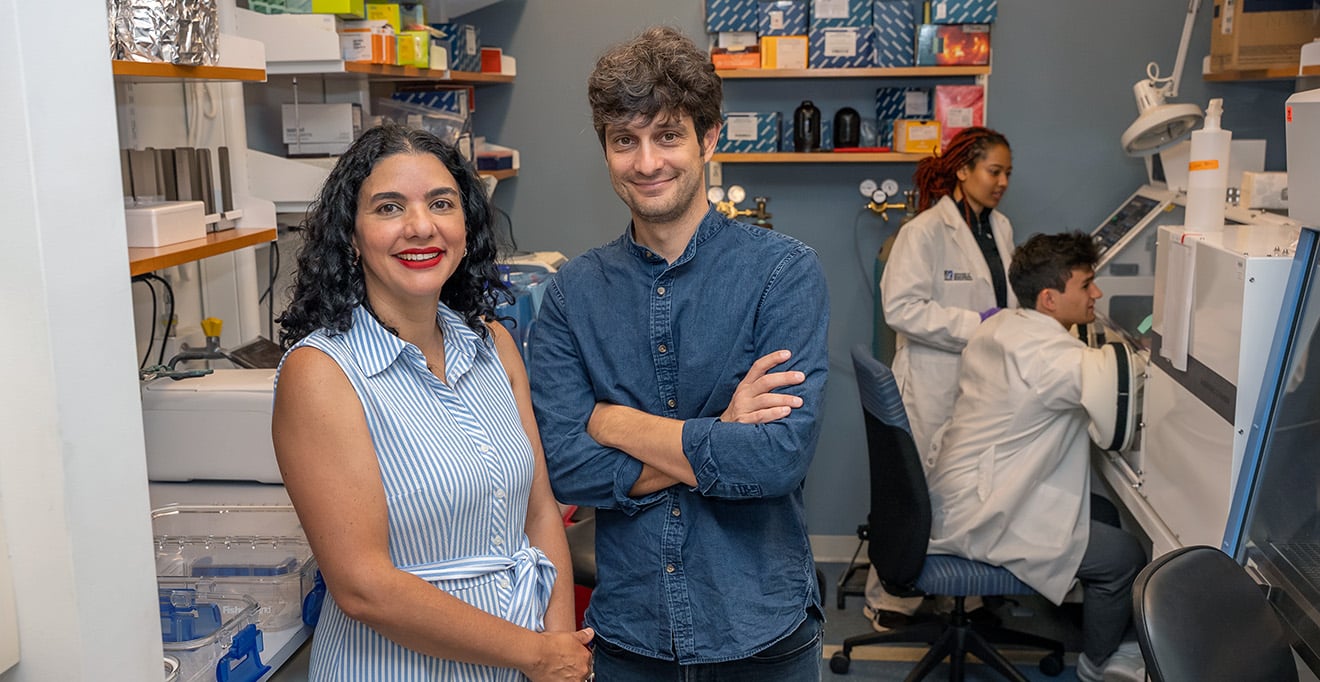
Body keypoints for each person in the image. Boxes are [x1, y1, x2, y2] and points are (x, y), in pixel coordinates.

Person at [527, 26, 830, 680]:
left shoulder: (784, 275)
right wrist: (720, 431)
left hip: (761, 633)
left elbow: (775, 460)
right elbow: (567, 470)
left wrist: (616, 423)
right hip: (631, 638)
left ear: (709, 138)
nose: (646, 162)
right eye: (624, 140)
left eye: (667, 135)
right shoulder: (571, 296)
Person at [270, 124, 593, 682]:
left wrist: (559, 648)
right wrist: (538, 655)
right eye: (389, 207)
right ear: (351, 235)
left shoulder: (493, 345)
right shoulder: (321, 373)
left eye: (441, 203)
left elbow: (539, 512)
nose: (420, 227)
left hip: (524, 665)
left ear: (466, 225)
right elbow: (363, 587)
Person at [925, 232, 1148, 682]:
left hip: (961, 492)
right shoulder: (1051, 357)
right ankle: (1099, 664)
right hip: (988, 512)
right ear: (1049, 298)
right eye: (1086, 285)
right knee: (1125, 556)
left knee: (1101, 509)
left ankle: (1102, 633)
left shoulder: (1002, 325)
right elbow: (1120, 388)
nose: (1097, 294)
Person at [867, 126, 1017, 629]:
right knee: (917, 491)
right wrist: (976, 324)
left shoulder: (1002, 229)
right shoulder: (924, 231)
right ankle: (891, 600)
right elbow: (901, 309)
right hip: (932, 381)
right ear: (963, 170)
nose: (1001, 182)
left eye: (1007, 174)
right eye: (993, 171)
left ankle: (962, 597)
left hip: (983, 382)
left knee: (968, 488)